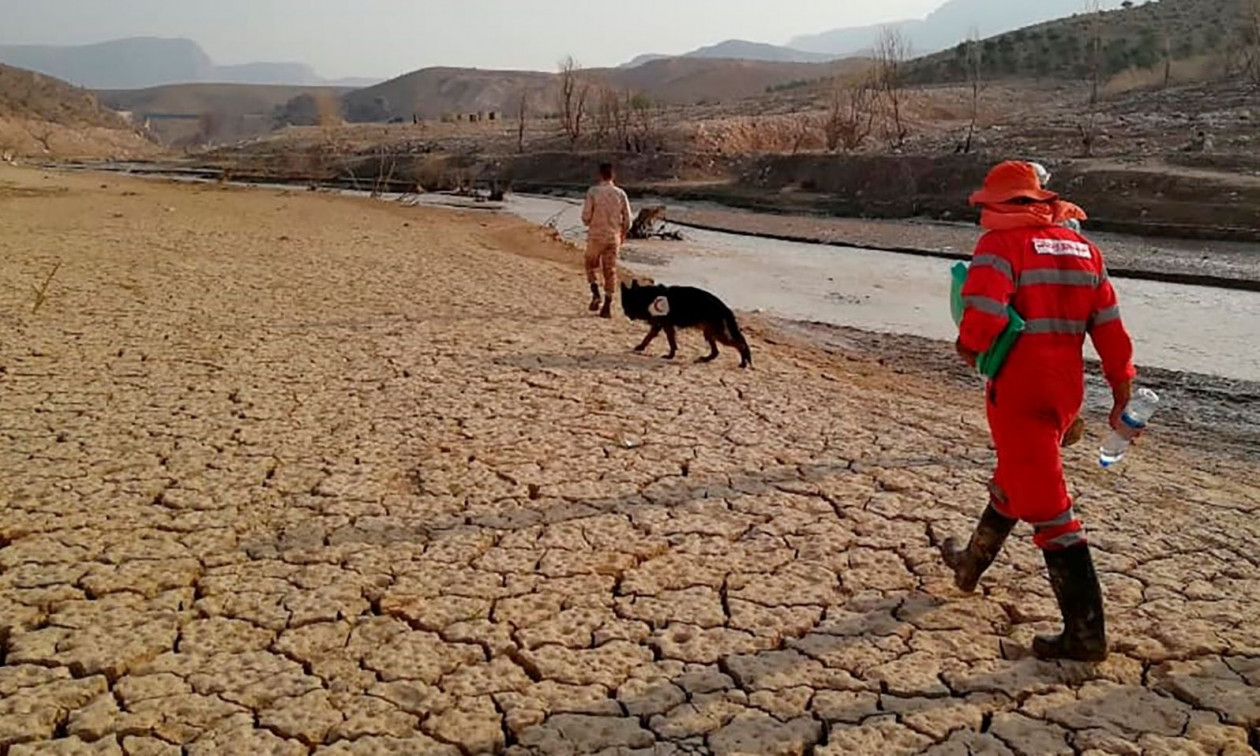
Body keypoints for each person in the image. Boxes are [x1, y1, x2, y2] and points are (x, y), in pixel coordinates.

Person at [943, 160, 1137, 663]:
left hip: (1020, 389)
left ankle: (1085, 636)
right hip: (1066, 391)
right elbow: (1111, 329)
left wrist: (969, 347)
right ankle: (969, 565)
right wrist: (1122, 388)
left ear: (1004, 204)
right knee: (1016, 477)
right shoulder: (1085, 250)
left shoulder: (1000, 246)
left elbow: (984, 312)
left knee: (1051, 511)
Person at [581, 163, 633, 318]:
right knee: (610, 270)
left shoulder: (593, 192)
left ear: (600, 175)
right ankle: (608, 304)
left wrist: (592, 222)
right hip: (613, 237)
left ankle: (595, 293)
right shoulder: (621, 193)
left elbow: (586, 217)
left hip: (596, 236)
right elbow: (628, 220)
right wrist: (622, 233)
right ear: (613, 176)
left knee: (590, 264)